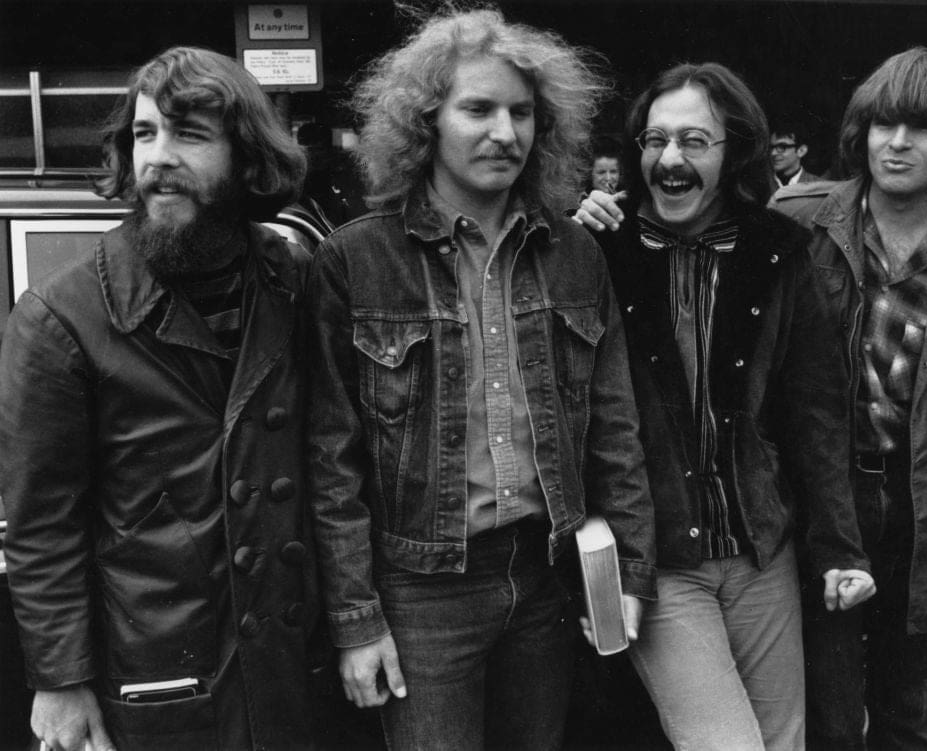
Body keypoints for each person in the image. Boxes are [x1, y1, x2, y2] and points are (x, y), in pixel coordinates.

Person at [306, 9, 656, 751]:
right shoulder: (356, 260)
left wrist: (627, 571)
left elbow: (614, 427)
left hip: (546, 574)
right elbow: (331, 462)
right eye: (478, 109)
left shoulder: (574, 254)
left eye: (522, 112)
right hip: (420, 589)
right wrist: (357, 621)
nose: (505, 132)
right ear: (425, 122)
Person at [0, 47, 321, 751]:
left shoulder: (291, 277)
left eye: (190, 134)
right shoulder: (61, 318)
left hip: (286, 667)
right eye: (145, 134)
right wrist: (60, 681)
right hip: (159, 674)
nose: (159, 158)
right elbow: (41, 525)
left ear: (247, 156)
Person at [572, 62, 873, 750]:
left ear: (734, 151)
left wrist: (839, 547)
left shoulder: (778, 251)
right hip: (660, 558)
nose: (669, 159)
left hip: (761, 550)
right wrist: (573, 235)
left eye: (693, 141)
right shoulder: (600, 249)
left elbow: (815, 412)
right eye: (655, 140)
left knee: (783, 741)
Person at [773, 47, 927, 750]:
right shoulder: (798, 225)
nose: (898, 142)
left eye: (923, 127)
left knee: (911, 719)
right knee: (824, 721)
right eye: (884, 123)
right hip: (817, 506)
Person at [771, 120, 820, 191]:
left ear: (801, 151)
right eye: (771, 147)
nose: (773, 153)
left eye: (781, 147)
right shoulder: (762, 185)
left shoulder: (819, 186)